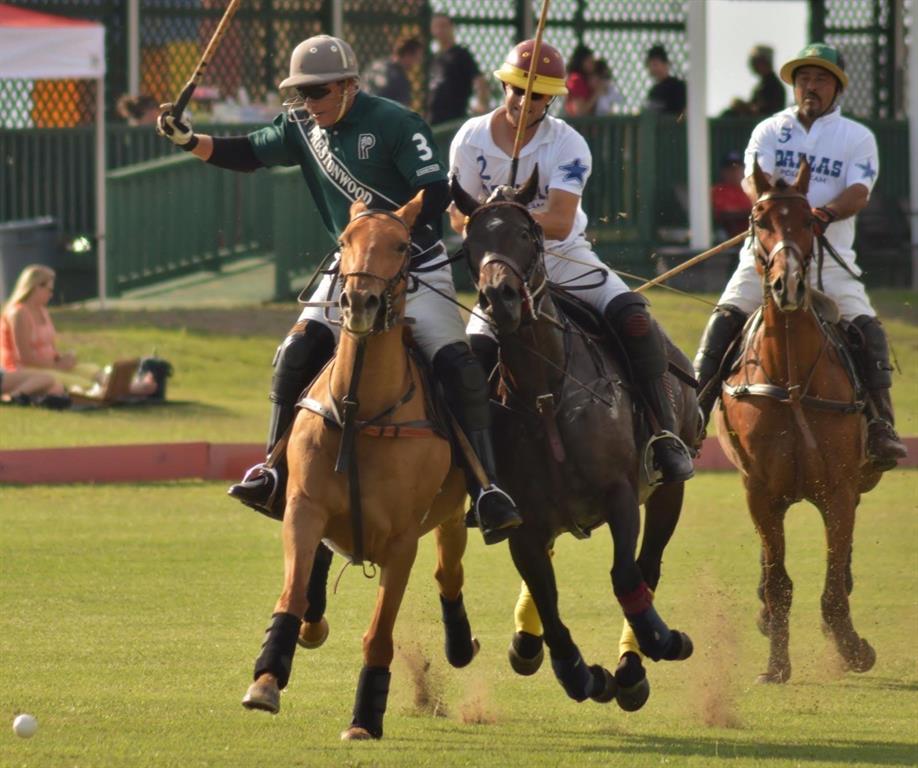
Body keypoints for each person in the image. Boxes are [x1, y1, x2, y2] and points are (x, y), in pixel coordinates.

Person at [156, 34, 521, 544]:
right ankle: (273, 472)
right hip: (350, 270)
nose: (310, 103)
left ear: (350, 87)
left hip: (414, 266)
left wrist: (391, 228)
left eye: (319, 92)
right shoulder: (301, 127)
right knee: (295, 351)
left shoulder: (396, 123)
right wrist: (188, 140)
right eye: (301, 94)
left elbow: (435, 190)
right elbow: (247, 154)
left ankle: (486, 487)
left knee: (458, 366)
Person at [448, 39, 695, 484]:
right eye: (518, 89)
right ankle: (478, 472)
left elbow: (560, 221)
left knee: (635, 318)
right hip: (501, 271)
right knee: (475, 357)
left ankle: (663, 436)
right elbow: (456, 213)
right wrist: (492, 230)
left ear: (552, 99)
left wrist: (510, 216)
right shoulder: (471, 137)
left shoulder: (568, 143)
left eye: (537, 94)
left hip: (565, 261)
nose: (525, 101)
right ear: (504, 85)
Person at [693, 42, 907, 468]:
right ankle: (692, 417)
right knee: (723, 321)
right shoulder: (770, 130)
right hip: (766, 257)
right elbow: (754, 182)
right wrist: (777, 206)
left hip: (829, 261)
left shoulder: (857, 137)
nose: (811, 86)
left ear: (837, 88)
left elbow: (859, 191)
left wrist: (824, 212)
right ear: (793, 85)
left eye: (821, 79)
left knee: (868, 329)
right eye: (804, 78)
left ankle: (881, 426)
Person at [0, 265, 169, 399]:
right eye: (49, 290)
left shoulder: (42, 311)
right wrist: (57, 366)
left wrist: (63, 358)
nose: (51, 294)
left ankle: (128, 387)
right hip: (25, 370)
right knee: (80, 382)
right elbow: (25, 358)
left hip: (51, 365)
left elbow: (49, 346)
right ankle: (134, 389)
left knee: (92, 370)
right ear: (35, 287)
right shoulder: (19, 313)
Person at [427, 14, 490, 125]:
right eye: (436, 26)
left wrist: (481, 103)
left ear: (452, 28)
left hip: (454, 119)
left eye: (443, 26)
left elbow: (479, 80)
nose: (440, 30)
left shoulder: (461, 54)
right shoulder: (435, 58)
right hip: (434, 120)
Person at [722, 45, 786, 118]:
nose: (752, 65)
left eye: (755, 61)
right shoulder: (762, 85)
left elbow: (765, 113)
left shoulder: (774, 86)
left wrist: (743, 107)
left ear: (764, 62)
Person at [362, 36, 424, 107]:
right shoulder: (400, 79)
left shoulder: (375, 66)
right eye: (417, 58)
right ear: (407, 55)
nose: (418, 63)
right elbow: (401, 111)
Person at [711, 150, 753, 239]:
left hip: (752, 236)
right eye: (730, 169)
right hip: (728, 240)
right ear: (722, 171)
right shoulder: (717, 190)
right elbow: (724, 216)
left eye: (737, 168)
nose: (734, 172)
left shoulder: (751, 189)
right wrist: (749, 213)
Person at [644, 44, 686, 116]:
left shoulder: (678, 86)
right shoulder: (654, 91)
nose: (653, 69)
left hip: (676, 125)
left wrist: (678, 122)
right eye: (650, 65)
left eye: (655, 64)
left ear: (665, 64)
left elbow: (683, 112)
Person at [563, 44, 597, 117]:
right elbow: (579, 111)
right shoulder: (576, 79)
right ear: (581, 62)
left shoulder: (586, 78)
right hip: (576, 125)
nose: (593, 65)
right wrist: (596, 94)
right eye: (589, 62)